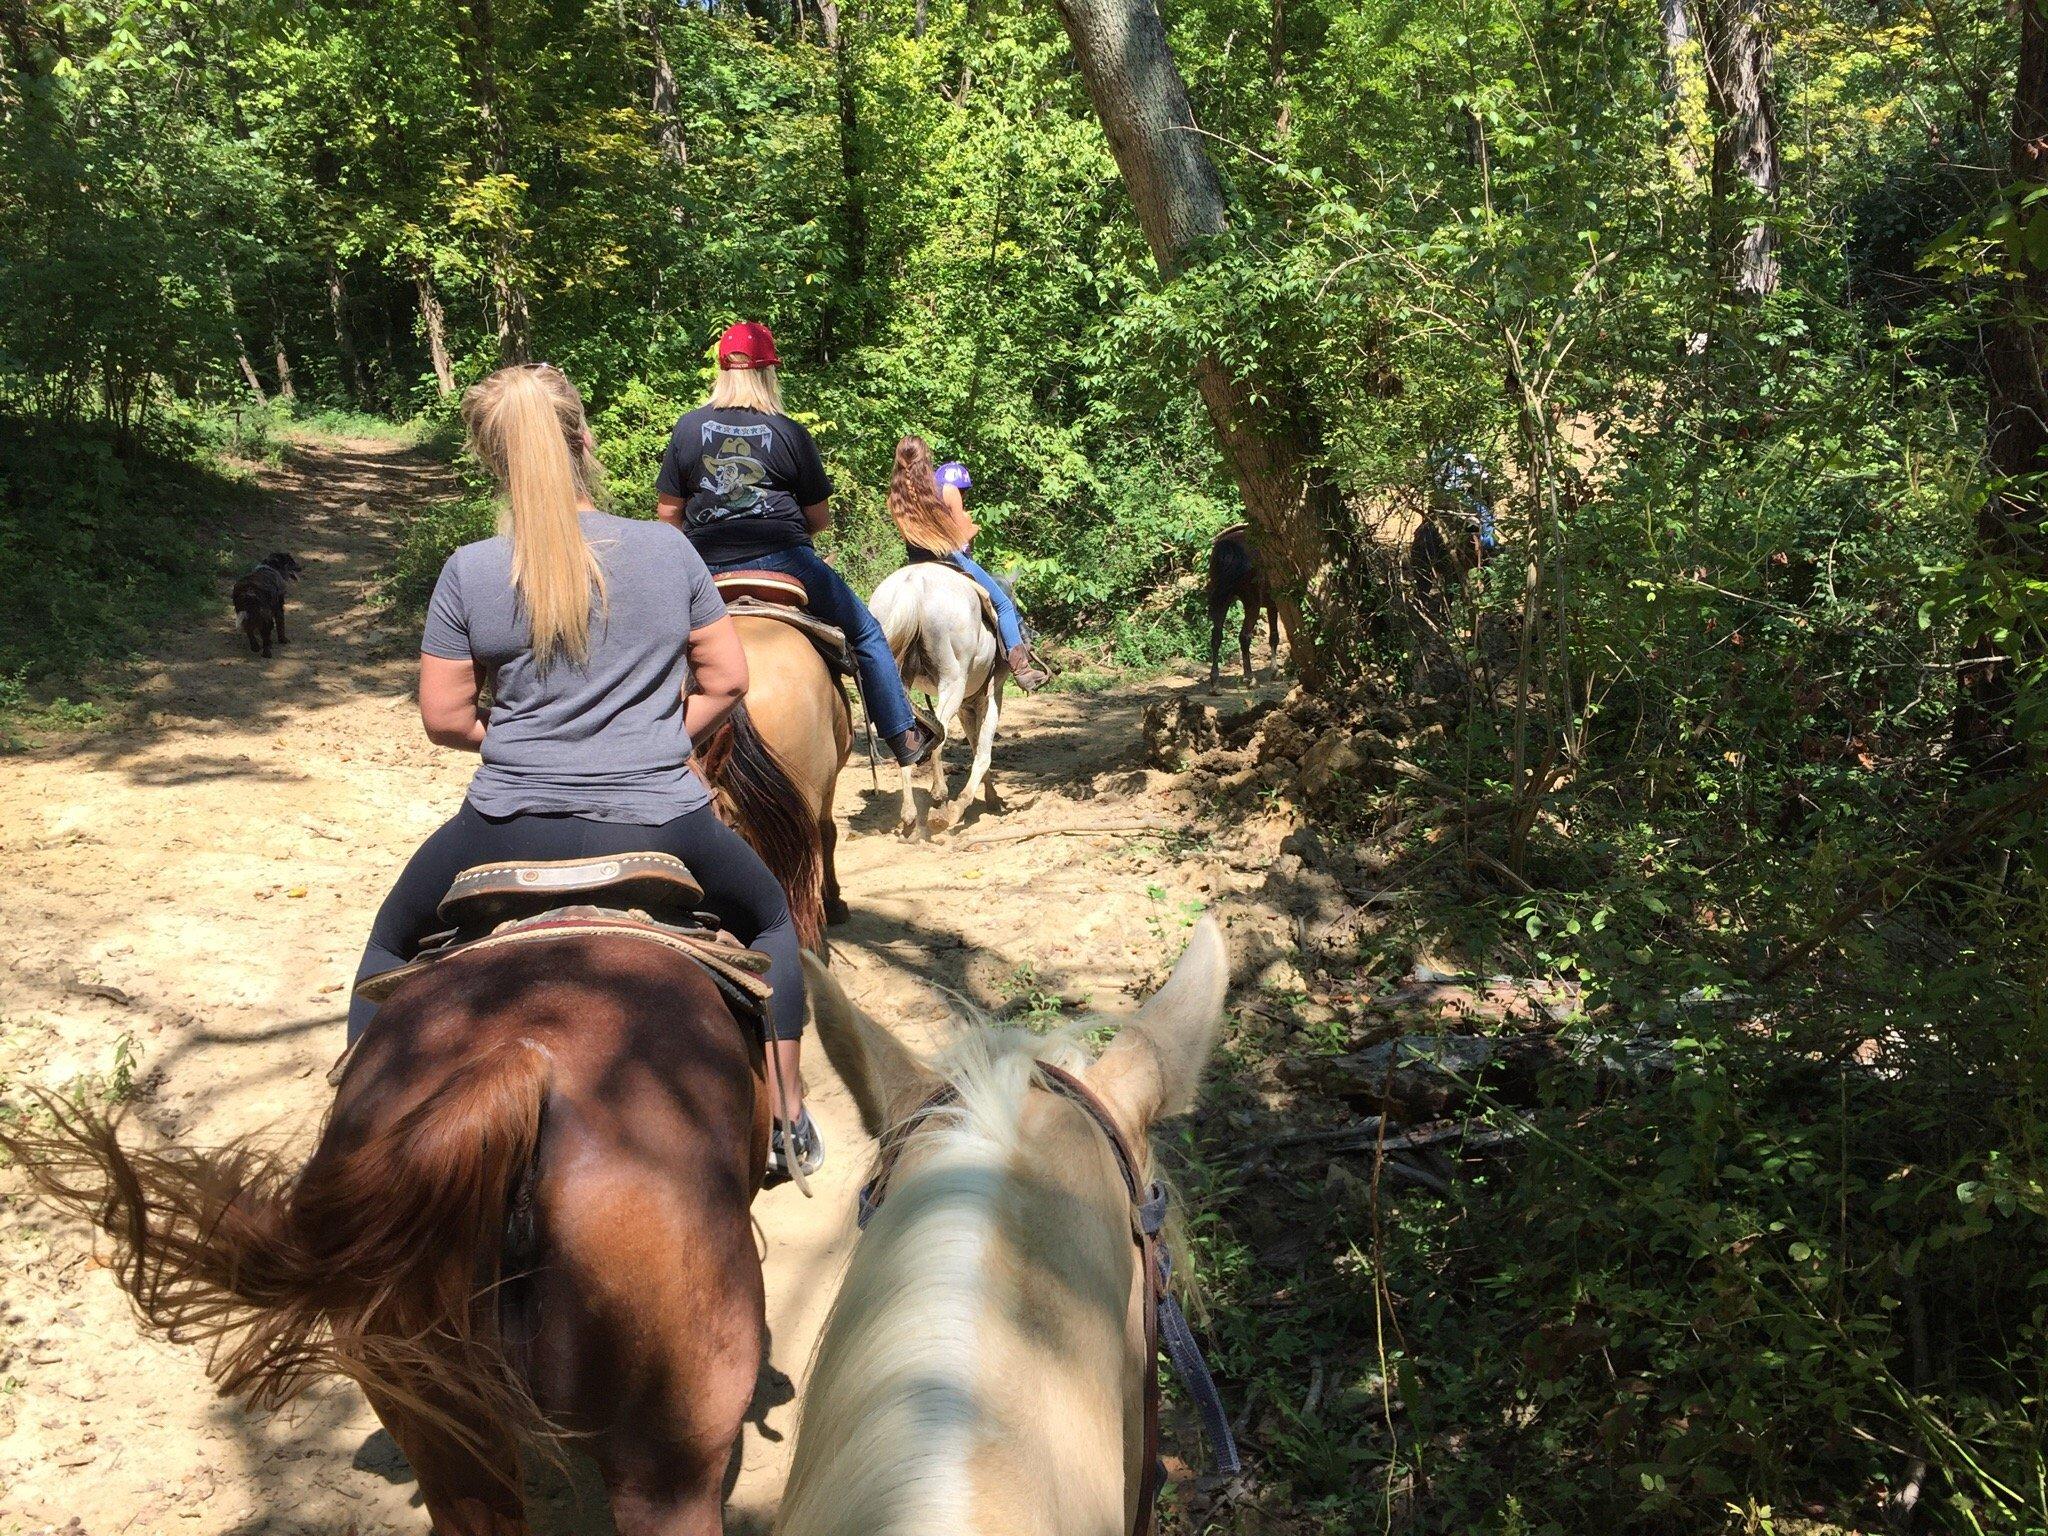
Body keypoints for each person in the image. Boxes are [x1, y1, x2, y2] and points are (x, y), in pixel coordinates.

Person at [350, 362, 823, 1178]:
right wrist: (654, 740)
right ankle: (786, 1120)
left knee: (387, 948)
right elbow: (729, 681)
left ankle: (354, 1140)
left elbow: (444, 718)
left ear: (493, 461)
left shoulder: (469, 570)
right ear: (585, 441)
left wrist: (525, 740)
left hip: (502, 822)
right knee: (773, 919)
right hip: (663, 818)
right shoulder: (667, 552)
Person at [655, 322, 938, 766]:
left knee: (646, 642)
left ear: (721, 370)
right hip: (785, 561)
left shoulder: (688, 428)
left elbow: (669, 514)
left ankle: (628, 737)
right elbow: (818, 518)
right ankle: (900, 734)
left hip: (703, 567)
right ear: (770, 373)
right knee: (865, 632)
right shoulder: (790, 432)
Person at [886, 436, 1050, 690]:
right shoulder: (945, 490)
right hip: (949, 558)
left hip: (913, 561)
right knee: (1004, 604)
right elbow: (960, 537)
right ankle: (1022, 669)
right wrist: (974, 527)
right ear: (926, 459)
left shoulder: (894, 499)